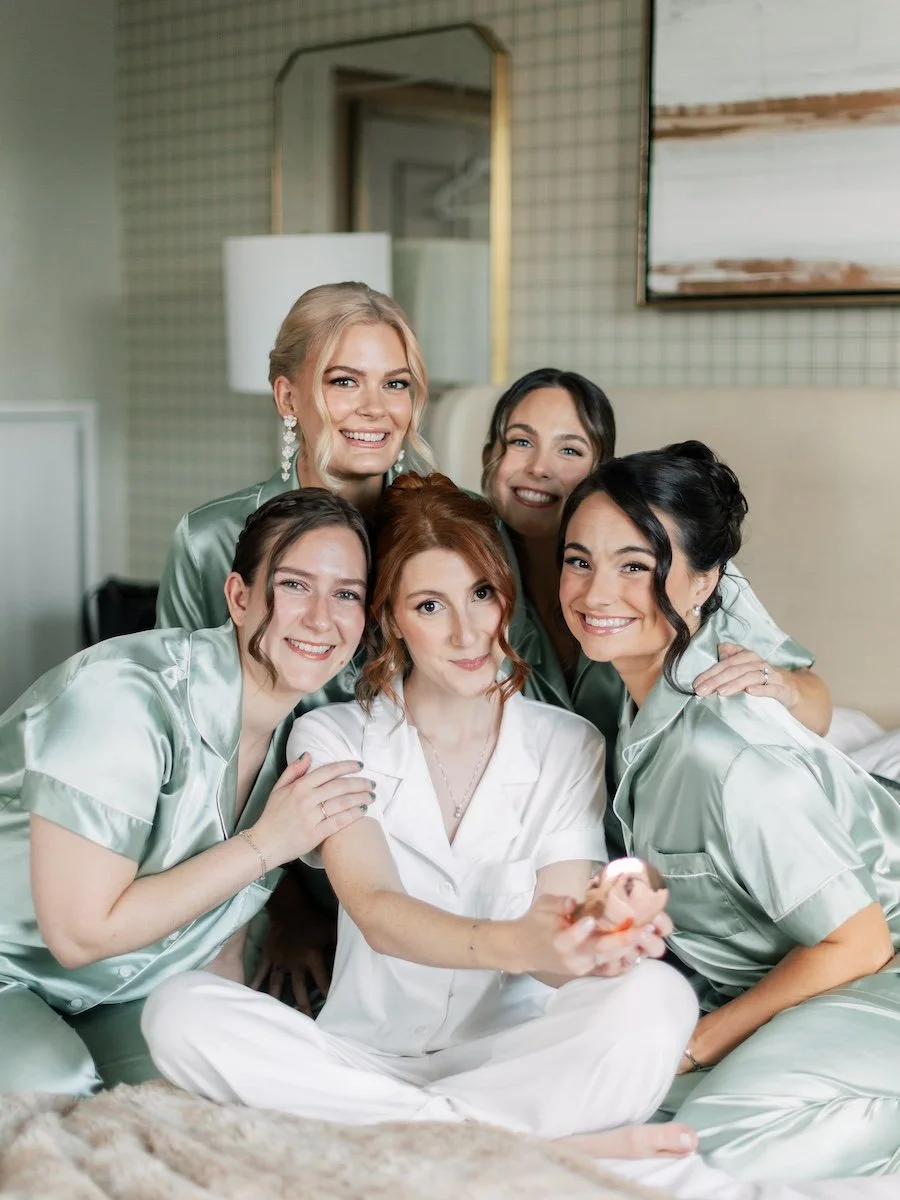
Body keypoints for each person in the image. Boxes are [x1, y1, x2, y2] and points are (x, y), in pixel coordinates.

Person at [142, 474, 702, 1159]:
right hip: (363, 1058)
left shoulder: (567, 743)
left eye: (481, 595)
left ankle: (412, 1139)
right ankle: (522, 1148)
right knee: (179, 1012)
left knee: (659, 997)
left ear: (508, 598)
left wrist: (598, 945)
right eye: (430, 605)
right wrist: (520, 942)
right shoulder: (334, 737)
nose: (468, 632)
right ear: (390, 618)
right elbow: (376, 909)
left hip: (513, 1061)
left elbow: (556, 938)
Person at [558, 441, 900, 1182]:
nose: (594, 592)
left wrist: (697, 1044)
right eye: (578, 560)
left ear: (706, 581)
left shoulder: (727, 756)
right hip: (793, 978)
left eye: (635, 566)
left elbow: (859, 943)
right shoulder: (610, 689)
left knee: (696, 1158)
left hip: (877, 959)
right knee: (607, 1118)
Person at [0, 490, 373, 1094]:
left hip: (118, 992)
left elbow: (216, 931)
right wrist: (264, 844)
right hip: (13, 969)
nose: (322, 618)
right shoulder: (124, 698)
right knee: (55, 1095)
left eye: (347, 593)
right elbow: (79, 935)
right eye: (295, 585)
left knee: (226, 1093)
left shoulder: (304, 741)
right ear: (239, 596)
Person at [481, 368, 833, 844]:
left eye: (570, 449)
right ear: (489, 459)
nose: (540, 468)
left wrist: (781, 685)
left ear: (600, 470)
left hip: (667, 834)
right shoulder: (462, 569)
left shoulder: (684, 572)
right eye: (521, 442)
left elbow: (815, 708)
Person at [155, 280, 434, 651]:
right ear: (288, 398)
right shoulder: (209, 539)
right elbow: (173, 693)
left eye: (396, 384)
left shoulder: (464, 529)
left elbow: (507, 686)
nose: (375, 408)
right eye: (346, 381)